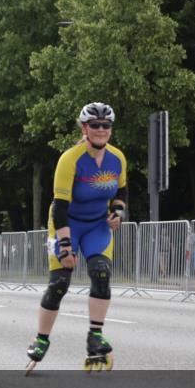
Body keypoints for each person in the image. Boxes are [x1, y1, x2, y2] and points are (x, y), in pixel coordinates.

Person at [25, 102, 127, 374]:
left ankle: (95, 334)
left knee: (101, 273)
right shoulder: (70, 159)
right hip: (66, 223)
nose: (101, 130)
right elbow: (59, 207)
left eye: (106, 126)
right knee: (60, 283)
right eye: (95, 125)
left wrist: (118, 211)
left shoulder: (117, 158)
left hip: (97, 226)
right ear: (85, 128)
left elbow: (122, 192)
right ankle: (42, 338)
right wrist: (66, 246)